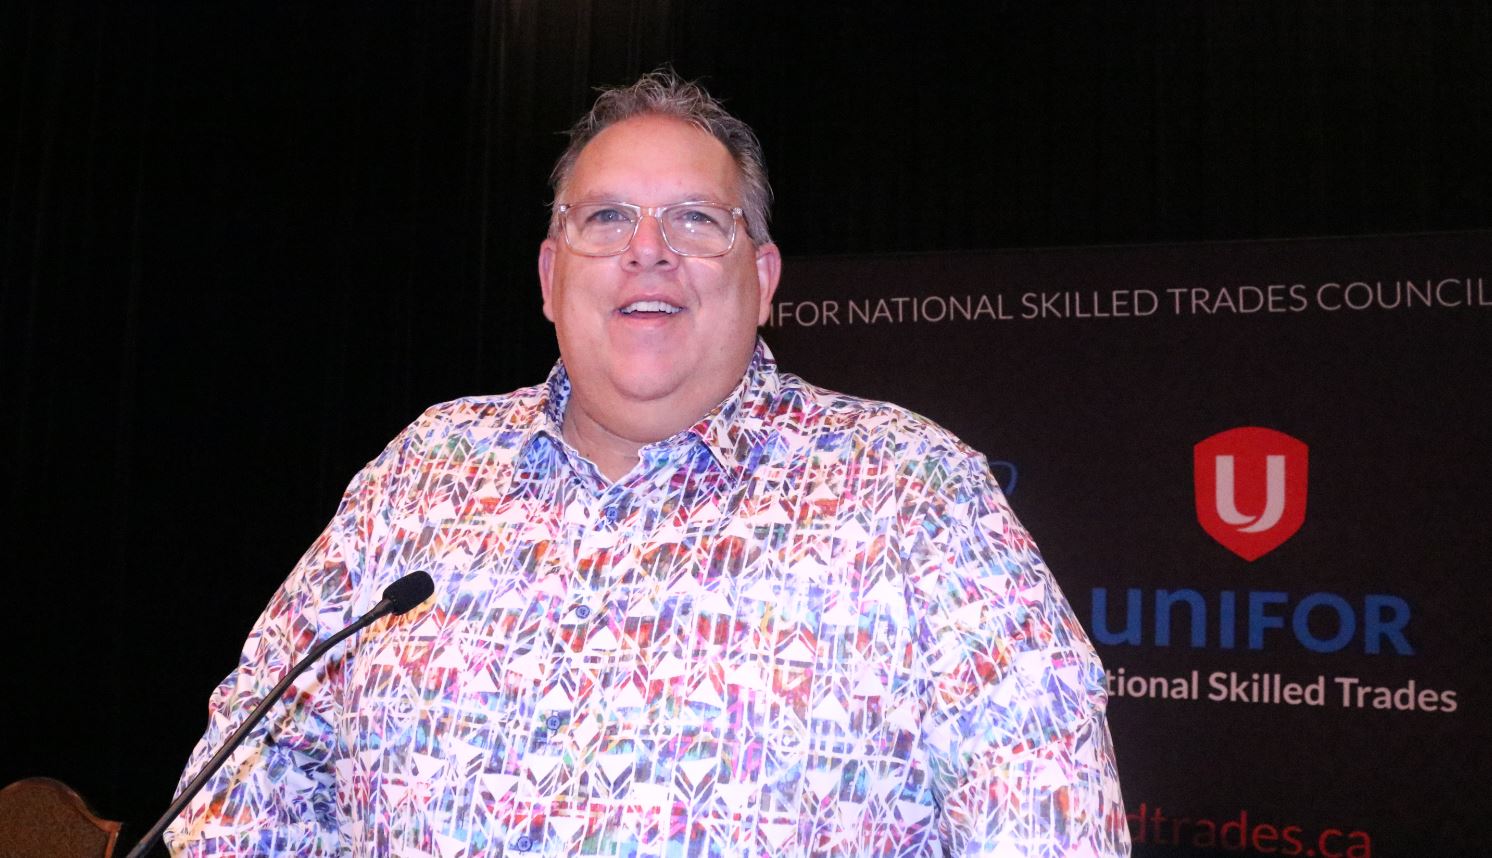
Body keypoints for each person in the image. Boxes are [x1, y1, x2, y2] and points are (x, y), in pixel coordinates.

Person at [165, 70, 1130, 857]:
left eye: (698, 222)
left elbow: (1052, 831)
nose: (649, 253)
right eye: (608, 219)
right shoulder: (419, 475)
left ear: (762, 281)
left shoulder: (916, 498)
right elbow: (242, 791)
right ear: (551, 276)